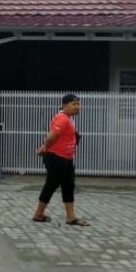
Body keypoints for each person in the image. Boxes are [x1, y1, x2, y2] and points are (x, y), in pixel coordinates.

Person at [32, 93, 90, 227]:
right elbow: (52, 136)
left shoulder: (68, 118)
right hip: (56, 158)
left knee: (68, 186)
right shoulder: (62, 119)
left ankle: (70, 217)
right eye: (74, 104)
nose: (77, 107)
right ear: (65, 105)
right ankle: (38, 214)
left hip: (66, 159)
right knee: (51, 185)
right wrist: (44, 148)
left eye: (78, 104)